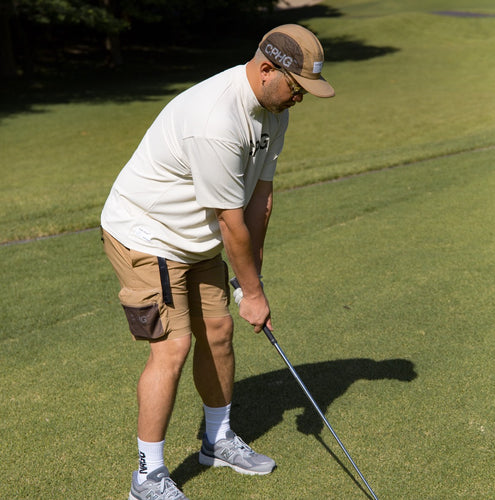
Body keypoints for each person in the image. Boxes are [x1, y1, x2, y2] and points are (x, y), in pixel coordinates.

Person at [101, 23, 335, 500]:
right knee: (173, 346)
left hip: (197, 237)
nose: (299, 100)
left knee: (219, 331)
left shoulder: (273, 110)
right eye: (296, 88)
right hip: (148, 233)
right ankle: (147, 476)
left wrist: (255, 283)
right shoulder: (216, 121)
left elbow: (259, 204)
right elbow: (231, 223)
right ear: (266, 69)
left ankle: (217, 439)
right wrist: (251, 293)